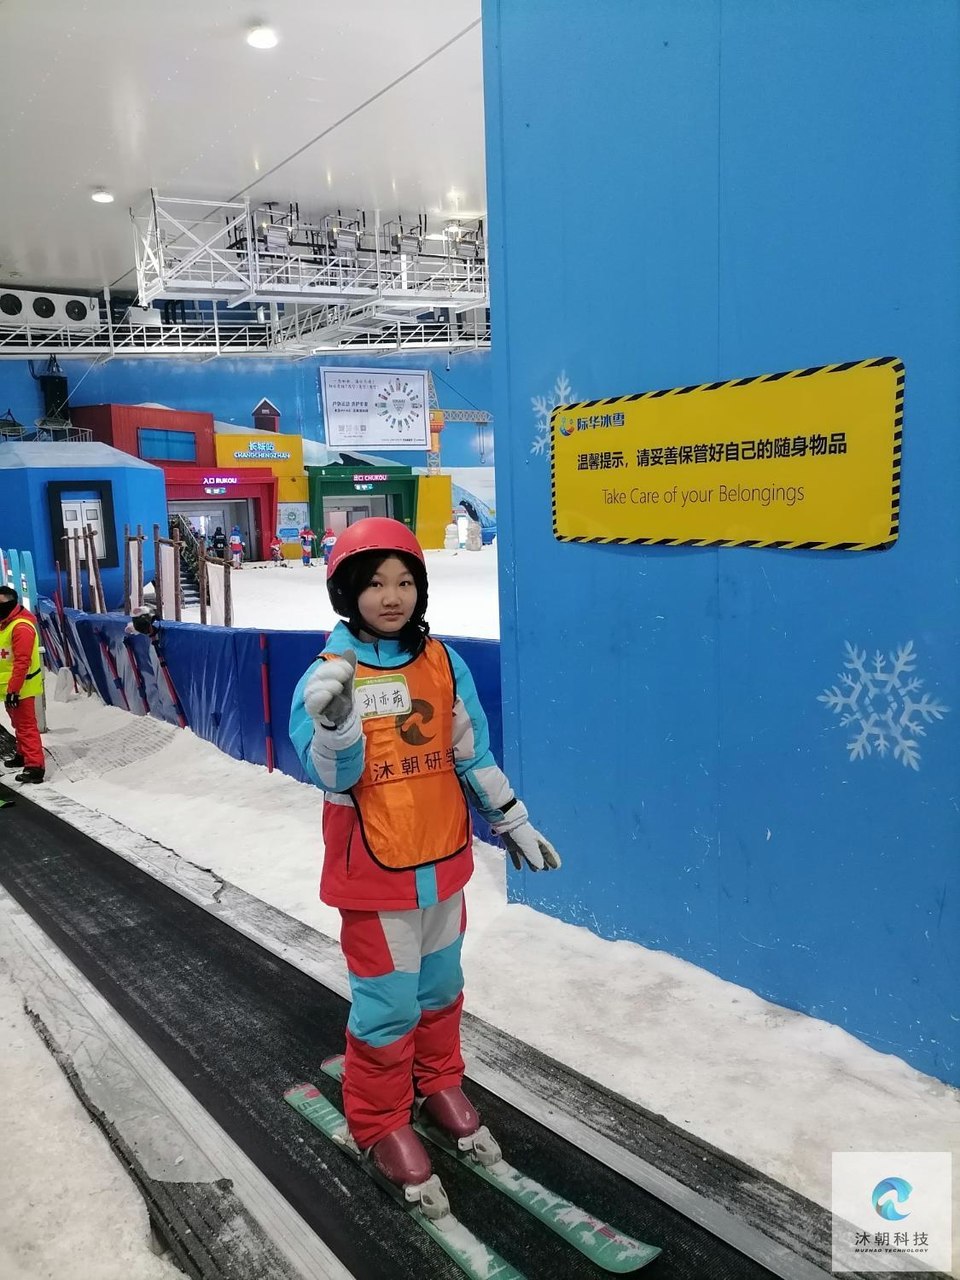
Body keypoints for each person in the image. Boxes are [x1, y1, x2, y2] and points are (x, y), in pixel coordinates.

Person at [289, 518, 561, 1191]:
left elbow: (470, 751)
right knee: (387, 1007)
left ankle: (438, 1081)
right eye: (375, 583)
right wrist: (336, 725)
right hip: (374, 875)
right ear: (347, 592)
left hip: (441, 864)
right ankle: (379, 1119)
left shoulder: (442, 662)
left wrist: (511, 818)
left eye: (405, 581)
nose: (392, 596)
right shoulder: (328, 676)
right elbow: (333, 776)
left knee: (441, 991)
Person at [0, 586, 46, 784]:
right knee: (17, 723)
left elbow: (22, 661)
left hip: (20, 688)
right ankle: (22, 754)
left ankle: (35, 766)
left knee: (26, 726)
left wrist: (13, 690)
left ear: (11, 603)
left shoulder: (20, 627)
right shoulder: (6, 624)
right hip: (10, 687)